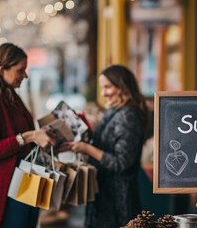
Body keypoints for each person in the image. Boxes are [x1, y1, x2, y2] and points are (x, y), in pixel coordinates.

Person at [0, 43, 56, 228]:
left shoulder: (9, 94)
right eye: (20, 70)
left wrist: (45, 138)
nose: (25, 75)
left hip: (25, 179)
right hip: (5, 186)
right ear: (2, 70)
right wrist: (29, 136)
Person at [60, 65, 149, 228]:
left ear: (123, 86)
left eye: (108, 87)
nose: (103, 93)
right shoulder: (116, 111)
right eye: (102, 88)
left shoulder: (129, 115)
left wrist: (87, 149)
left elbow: (121, 162)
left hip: (118, 200)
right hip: (105, 195)